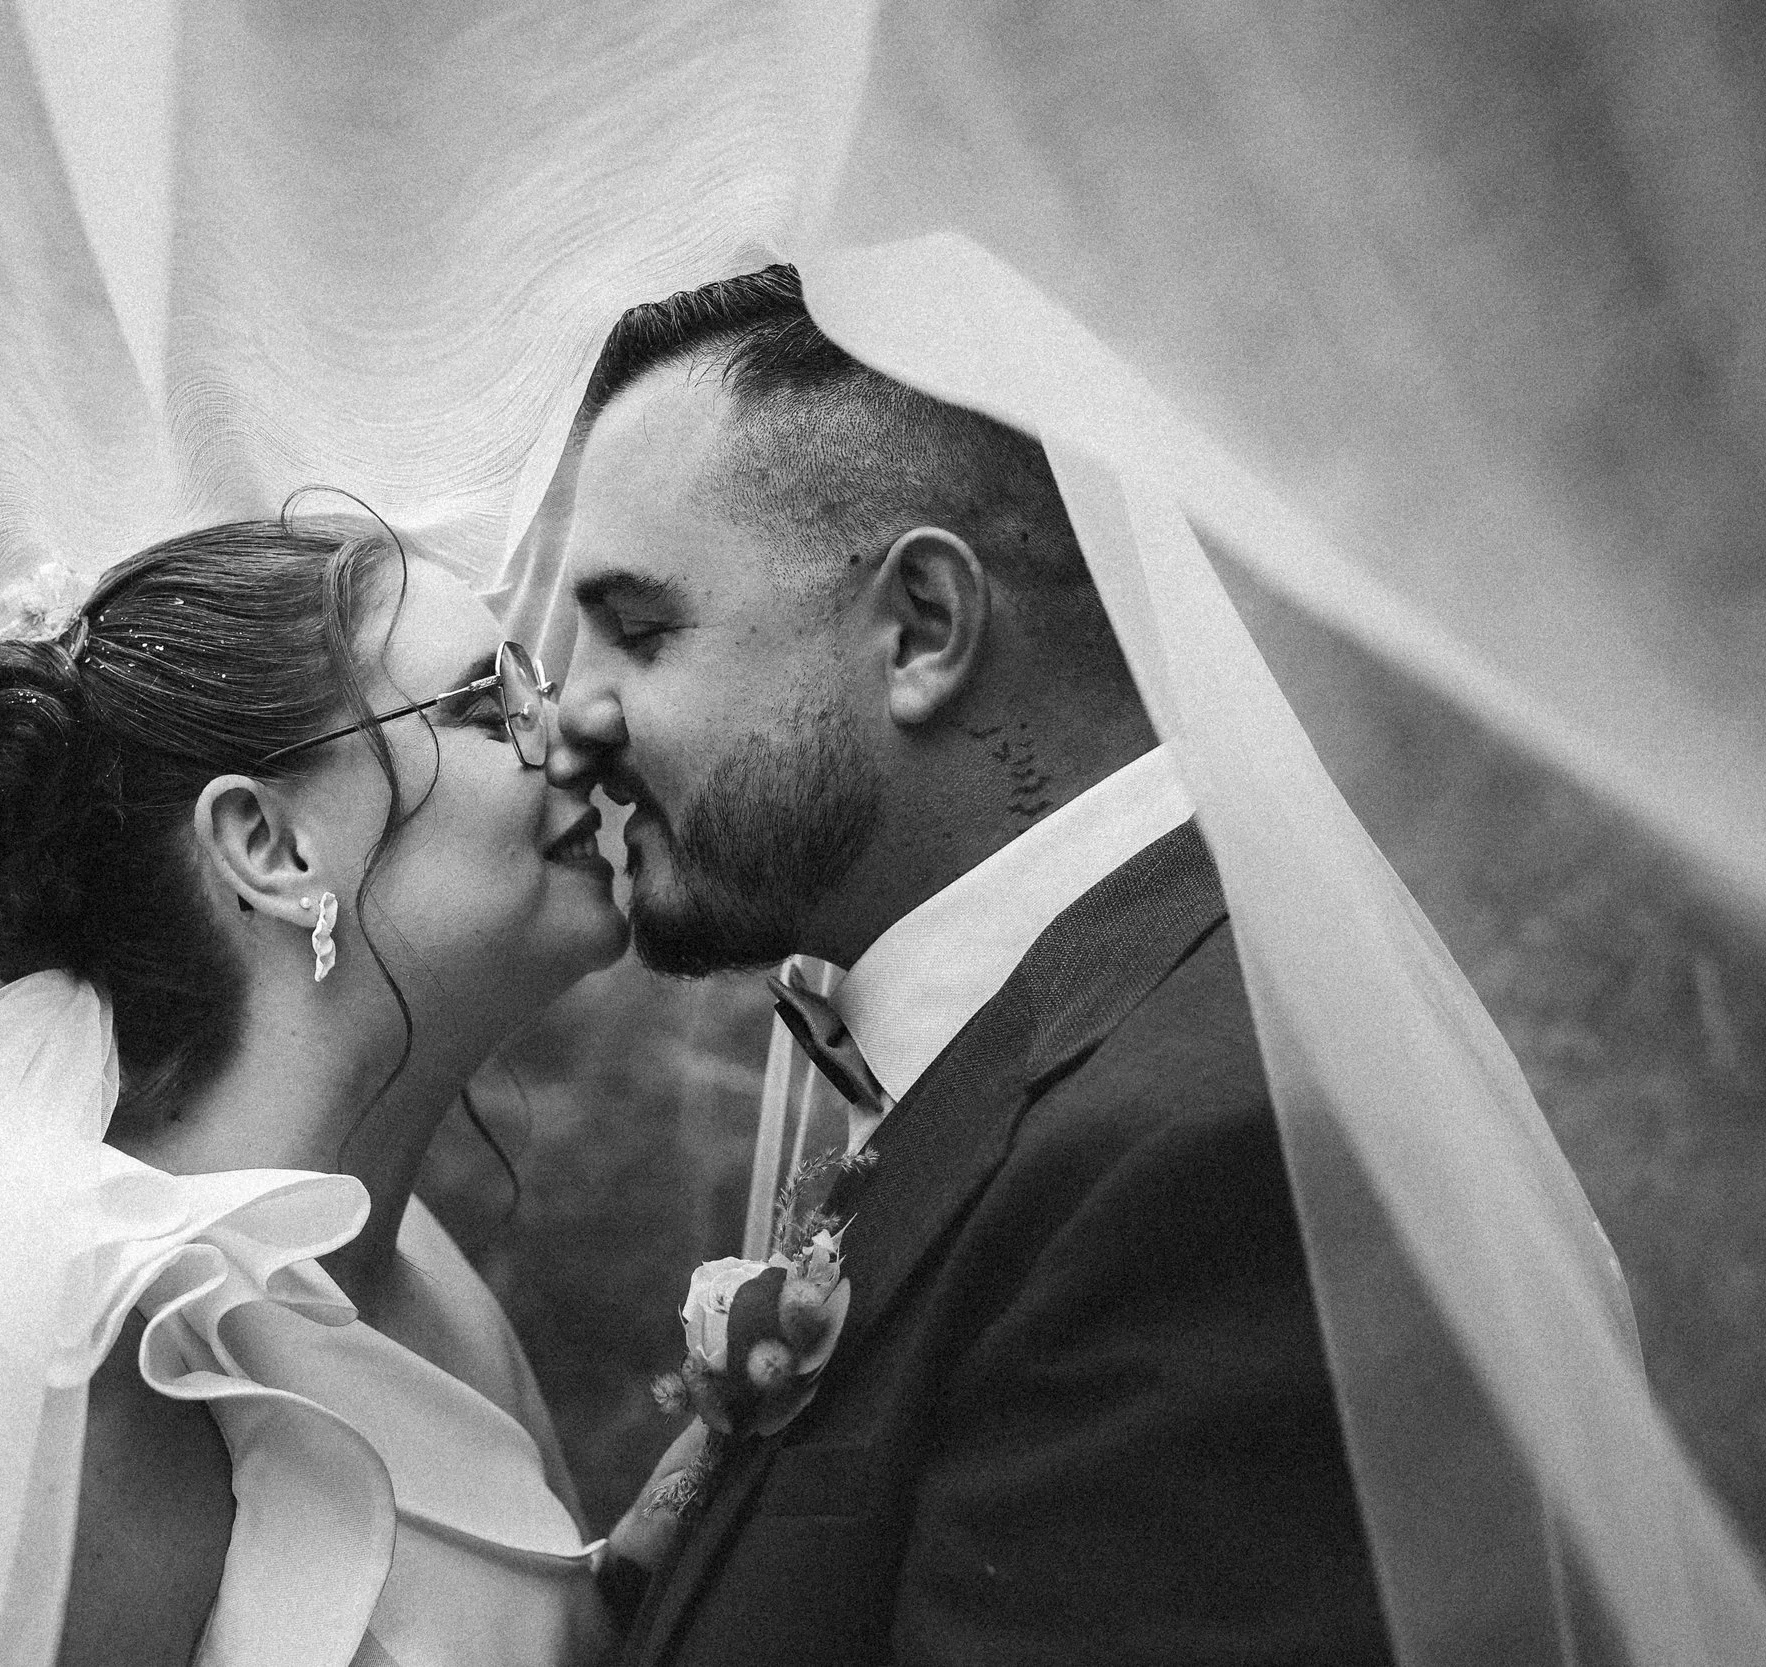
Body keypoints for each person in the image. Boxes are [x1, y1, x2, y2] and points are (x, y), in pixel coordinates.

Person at [550, 267, 1397, 1666]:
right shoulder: (1075, 1042)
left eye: (640, 631)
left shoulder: (1201, 1152)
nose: (571, 719)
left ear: (925, 626)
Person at [0, 515, 627, 1667]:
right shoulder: (110, 1357)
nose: (580, 731)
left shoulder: (416, 1262)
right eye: (488, 710)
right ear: (269, 844)